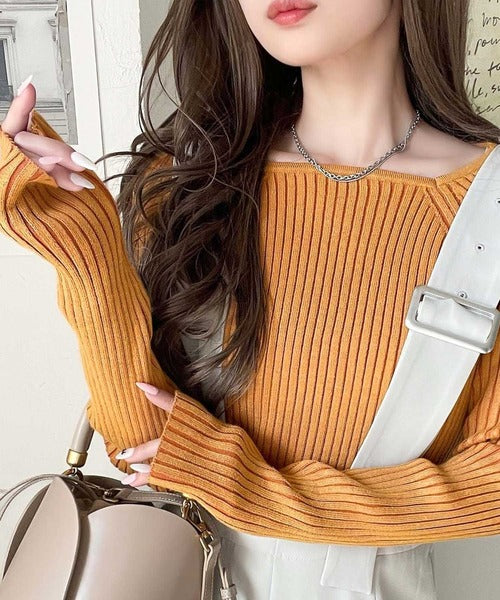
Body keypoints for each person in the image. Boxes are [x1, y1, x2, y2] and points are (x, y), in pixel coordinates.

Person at [1, 0, 500, 598]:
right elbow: (147, 448)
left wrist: (243, 483)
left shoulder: (486, 207)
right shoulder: (186, 183)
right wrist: (85, 246)